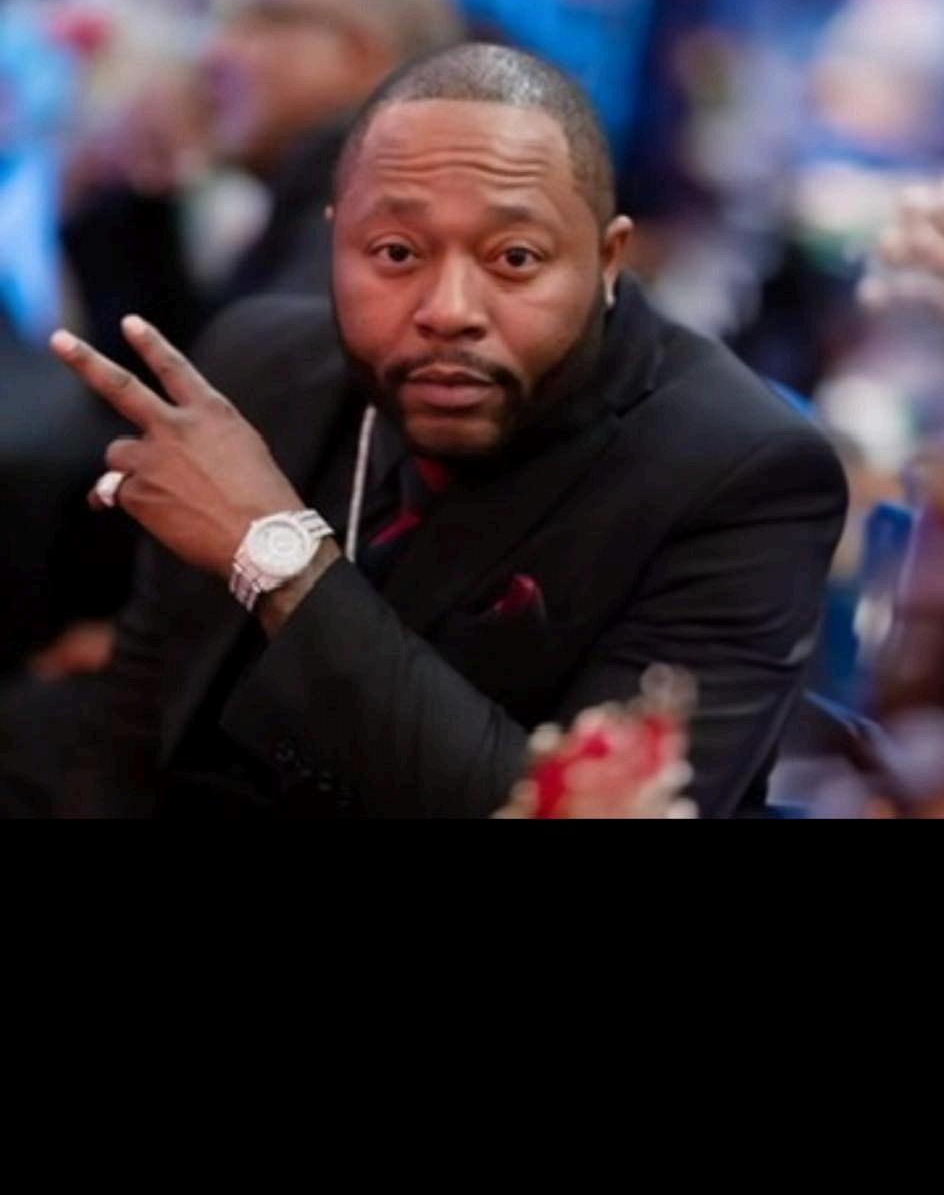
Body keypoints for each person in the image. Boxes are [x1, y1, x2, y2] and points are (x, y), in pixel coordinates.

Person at [46, 44, 847, 821]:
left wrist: (278, 556)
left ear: (608, 260)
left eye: (515, 258)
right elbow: (132, 736)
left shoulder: (742, 473)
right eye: (396, 252)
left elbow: (557, 811)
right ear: (333, 241)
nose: (448, 310)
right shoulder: (256, 365)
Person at [61, 0, 462, 358]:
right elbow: (172, 372)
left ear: (359, 57)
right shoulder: (313, 206)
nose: (214, 54)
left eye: (261, 20)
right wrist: (130, 194)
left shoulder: (382, 220)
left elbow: (236, 383)